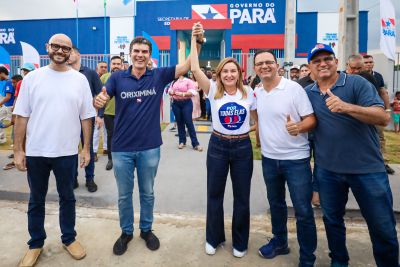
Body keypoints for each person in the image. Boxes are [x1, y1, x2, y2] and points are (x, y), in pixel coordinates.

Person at [94, 25, 204, 256]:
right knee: (124, 195)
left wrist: (197, 41)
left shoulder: (159, 75)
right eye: (136, 51)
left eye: (144, 51)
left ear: (149, 55)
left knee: (148, 192)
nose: (140, 55)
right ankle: (126, 232)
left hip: (150, 148)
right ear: (130, 54)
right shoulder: (116, 77)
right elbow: (103, 97)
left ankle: (146, 229)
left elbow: (186, 66)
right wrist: (99, 101)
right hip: (122, 148)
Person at [306, 43, 399, 267]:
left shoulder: (356, 83)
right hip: (328, 171)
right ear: (310, 67)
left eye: (327, 58)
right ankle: (339, 261)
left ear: (337, 62)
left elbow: (382, 117)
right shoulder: (308, 93)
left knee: (382, 226)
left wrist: (347, 107)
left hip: (367, 170)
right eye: (317, 61)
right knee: (332, 222)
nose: (323, 64)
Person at [13, 33, 95, 267]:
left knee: (67, 198)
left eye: (65, 48)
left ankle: (69, 239)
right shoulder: (33, 79)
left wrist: (86, 148)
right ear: (47, 47)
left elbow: (86, 118)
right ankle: (36, 243)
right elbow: (21, 116)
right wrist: (18, 150)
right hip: (37, 152)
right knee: (36, 200)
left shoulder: (79, 80)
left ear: (71, 52)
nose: (60, 51)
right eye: (56, 46)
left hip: (67, 152)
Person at [190, 23, 256, 258]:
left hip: (242, 147)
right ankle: (213, 238)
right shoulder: (212, 89)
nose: (229, 74)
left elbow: (256, 120)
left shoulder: (249, 93)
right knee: (214, 194)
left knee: (242, 197)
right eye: (225, 71)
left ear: (239, 73)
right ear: (219, 74)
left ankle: (240, 241)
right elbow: (195, 68)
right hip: (217, 146)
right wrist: (194, 39)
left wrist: (248, 132)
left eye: (233, 71)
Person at [253, 49, 317, 266]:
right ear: (255, 68)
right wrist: (259, 138)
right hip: (269, 159)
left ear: (277, 64)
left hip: (296, 160)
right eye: (260, 63)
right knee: (276, 204)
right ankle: (280, 242)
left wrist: (298, 127)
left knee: (303, 210)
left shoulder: (293, 89)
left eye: (268, 62)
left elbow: (311, 119)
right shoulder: (258, 91)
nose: (264, 66)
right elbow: (258, 117)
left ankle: (307, 257)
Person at [68, 46, 102, 192]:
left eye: (71, 52)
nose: (68, 55)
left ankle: (90, 179)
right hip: (68, 120)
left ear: (78, 54)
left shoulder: (90, 73)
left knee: (88, 148)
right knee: (69, 151)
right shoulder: (64, 73)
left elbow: (100, 95)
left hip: (87, 119)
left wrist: (100, 115)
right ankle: (73, 178)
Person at [363, 54, 394, 174]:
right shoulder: (356, 76)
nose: (369, 64)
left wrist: (387, 110)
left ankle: (383, 163)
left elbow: (383, 92)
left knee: (380, 137)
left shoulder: (378, 76)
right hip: (361, 111)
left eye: (370, 62)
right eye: (366, 62)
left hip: (376, 111)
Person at [100, 55, 123, 171]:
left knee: (123, 135)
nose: (116, 66)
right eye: (114, 64)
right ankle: (110, 159)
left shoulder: (126, 77)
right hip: (109, 112)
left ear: (122, 65)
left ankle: (122, 158)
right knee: (111, 136)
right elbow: (99, 95)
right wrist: (99, 114)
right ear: (111, 65)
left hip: (124, 113)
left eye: (118, 64)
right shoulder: (104, 77)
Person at [168, 75, 203, 151]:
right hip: (176, 104)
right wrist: (171, 92)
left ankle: (195, 143)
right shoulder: (174, 81)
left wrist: (182, 94)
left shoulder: (188, 81)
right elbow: (169, 90)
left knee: (189, 122)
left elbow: (193, 92)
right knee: (179, 123)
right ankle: (182, 141)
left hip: (186, 103)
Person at [0, 66, 15, 144]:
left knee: (14, 123)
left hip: (10, 107)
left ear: (2, 73)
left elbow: (8, 97)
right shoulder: (8, 81)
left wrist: (0, 104)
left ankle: (14, 142)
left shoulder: (9, 82)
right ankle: (2, 138)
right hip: (7, 106)